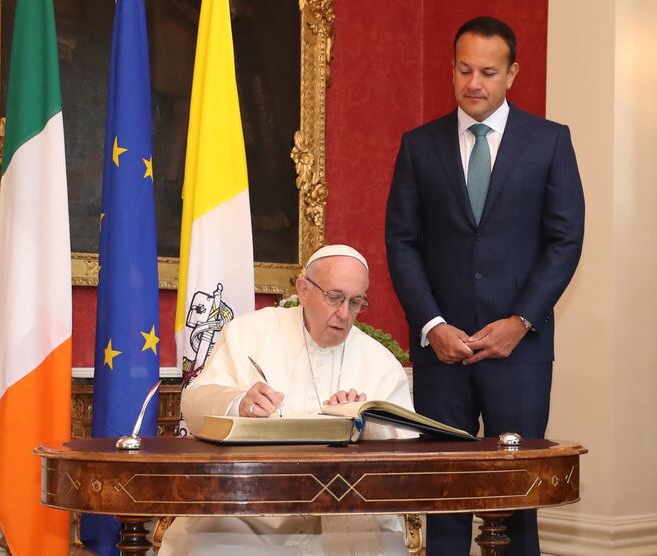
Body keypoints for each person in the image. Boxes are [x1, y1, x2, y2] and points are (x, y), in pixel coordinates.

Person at [385, 16, 584, 556]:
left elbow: (565, 241)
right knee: (445, 494)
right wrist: (431, 325)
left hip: (519, 353)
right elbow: (401, 243)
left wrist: (521, 322)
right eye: (464, 69)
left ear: (512, 74)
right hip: (441, 353)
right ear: (452, 69)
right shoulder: (418, 146)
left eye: (488, 72)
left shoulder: (549, 143)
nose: (474, 83)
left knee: (516, 497)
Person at [160, 244, 417, 556]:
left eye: (355, 302)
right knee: (207, 545)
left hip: (342, 514)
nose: (344, 314)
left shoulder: (379, 360)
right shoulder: (250, 333)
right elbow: (196, 401)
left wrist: (360, 421)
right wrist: (239, 404)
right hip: (249, 511)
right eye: (334, 298)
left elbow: (405, 446)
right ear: (304, 289)